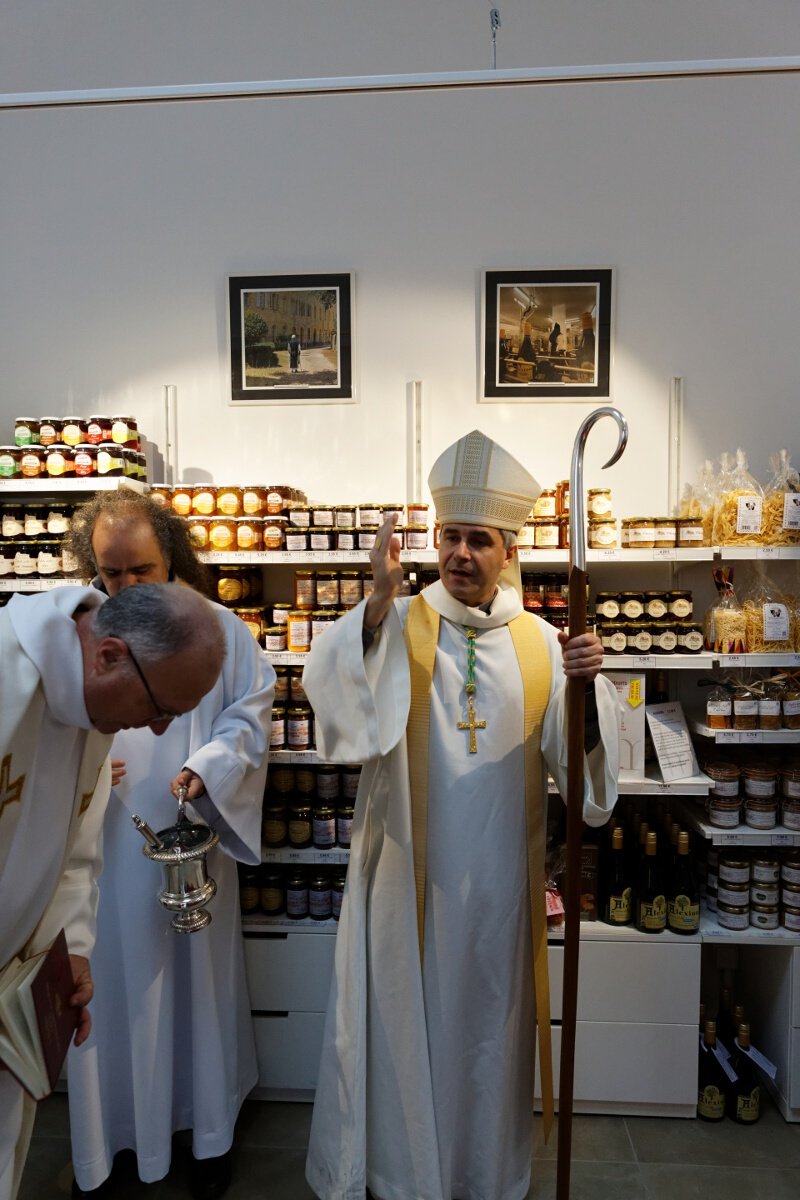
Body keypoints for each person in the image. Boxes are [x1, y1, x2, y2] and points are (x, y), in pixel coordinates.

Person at [303, 429, 620, 1200]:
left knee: (486, 1038)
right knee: (404, 1031)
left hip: (495, 897)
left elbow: (587, 786)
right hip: (403, 885)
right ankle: (404, 1176)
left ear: (508, 549)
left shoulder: (544, 645)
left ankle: (482, 1175)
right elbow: (336, 713)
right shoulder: (396, 624)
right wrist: (372, 608)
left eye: (479, 539)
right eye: (451, 536)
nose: (460, 554)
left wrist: (587, 695)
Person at [64, 491, 275, 1200]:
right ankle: (114, 1145)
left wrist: (208, 767)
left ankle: (205, 1133)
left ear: (173, 555)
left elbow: (249, 716)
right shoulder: (78, 631)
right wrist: (84, 764)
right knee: (111, 988)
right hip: (99, 852)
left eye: (141, 571)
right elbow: (49, 726)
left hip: (190, 838)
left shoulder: (218, 628)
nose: (124, 589)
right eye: (110, 573)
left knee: (194, 988)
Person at [0, 582, 224, 1200]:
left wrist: (70, 948)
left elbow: (73, 849)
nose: (155, 732)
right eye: (158, 709)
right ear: (107, 655)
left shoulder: (85, 704)